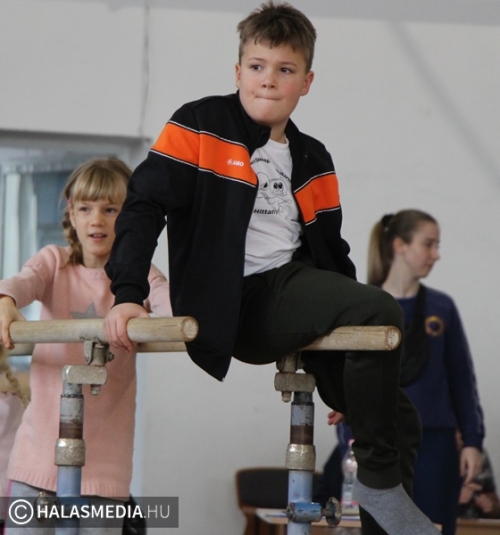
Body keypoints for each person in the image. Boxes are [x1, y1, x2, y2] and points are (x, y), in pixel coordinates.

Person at [103, 4, 439, 534]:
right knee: (380, 307)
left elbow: (332, 256)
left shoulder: (313, 157)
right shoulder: (201, 124)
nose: (268, 80)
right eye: (257, 66)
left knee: (399, 418)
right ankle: (376, 482)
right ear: (238, 71)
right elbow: (144, 206)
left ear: (306, 82)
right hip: (237, 298)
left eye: (285, 70)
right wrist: (127, 292)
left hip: (294, 292)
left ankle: (384, 517)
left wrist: (352, 373)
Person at [0, 157, 172, 534]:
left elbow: (173, 308)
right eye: (86, 208)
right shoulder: (54, 262)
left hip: (105, 464)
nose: (97, 220)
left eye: (111, 210)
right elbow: (22, 282)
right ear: (72, 214)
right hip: (37, 458)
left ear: (131, 218)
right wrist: (6, 301)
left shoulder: (139, 277)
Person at [365, 209, 484, 535]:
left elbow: (462, 379)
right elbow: (351, 379)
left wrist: (473, 441)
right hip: (380, 442)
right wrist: (349, 437)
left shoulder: (441, 307)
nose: (436, 254)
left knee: (434, 527)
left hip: (436, 443)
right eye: (428, 244)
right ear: (400, 245)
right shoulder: (366, 305)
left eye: (437, 245)